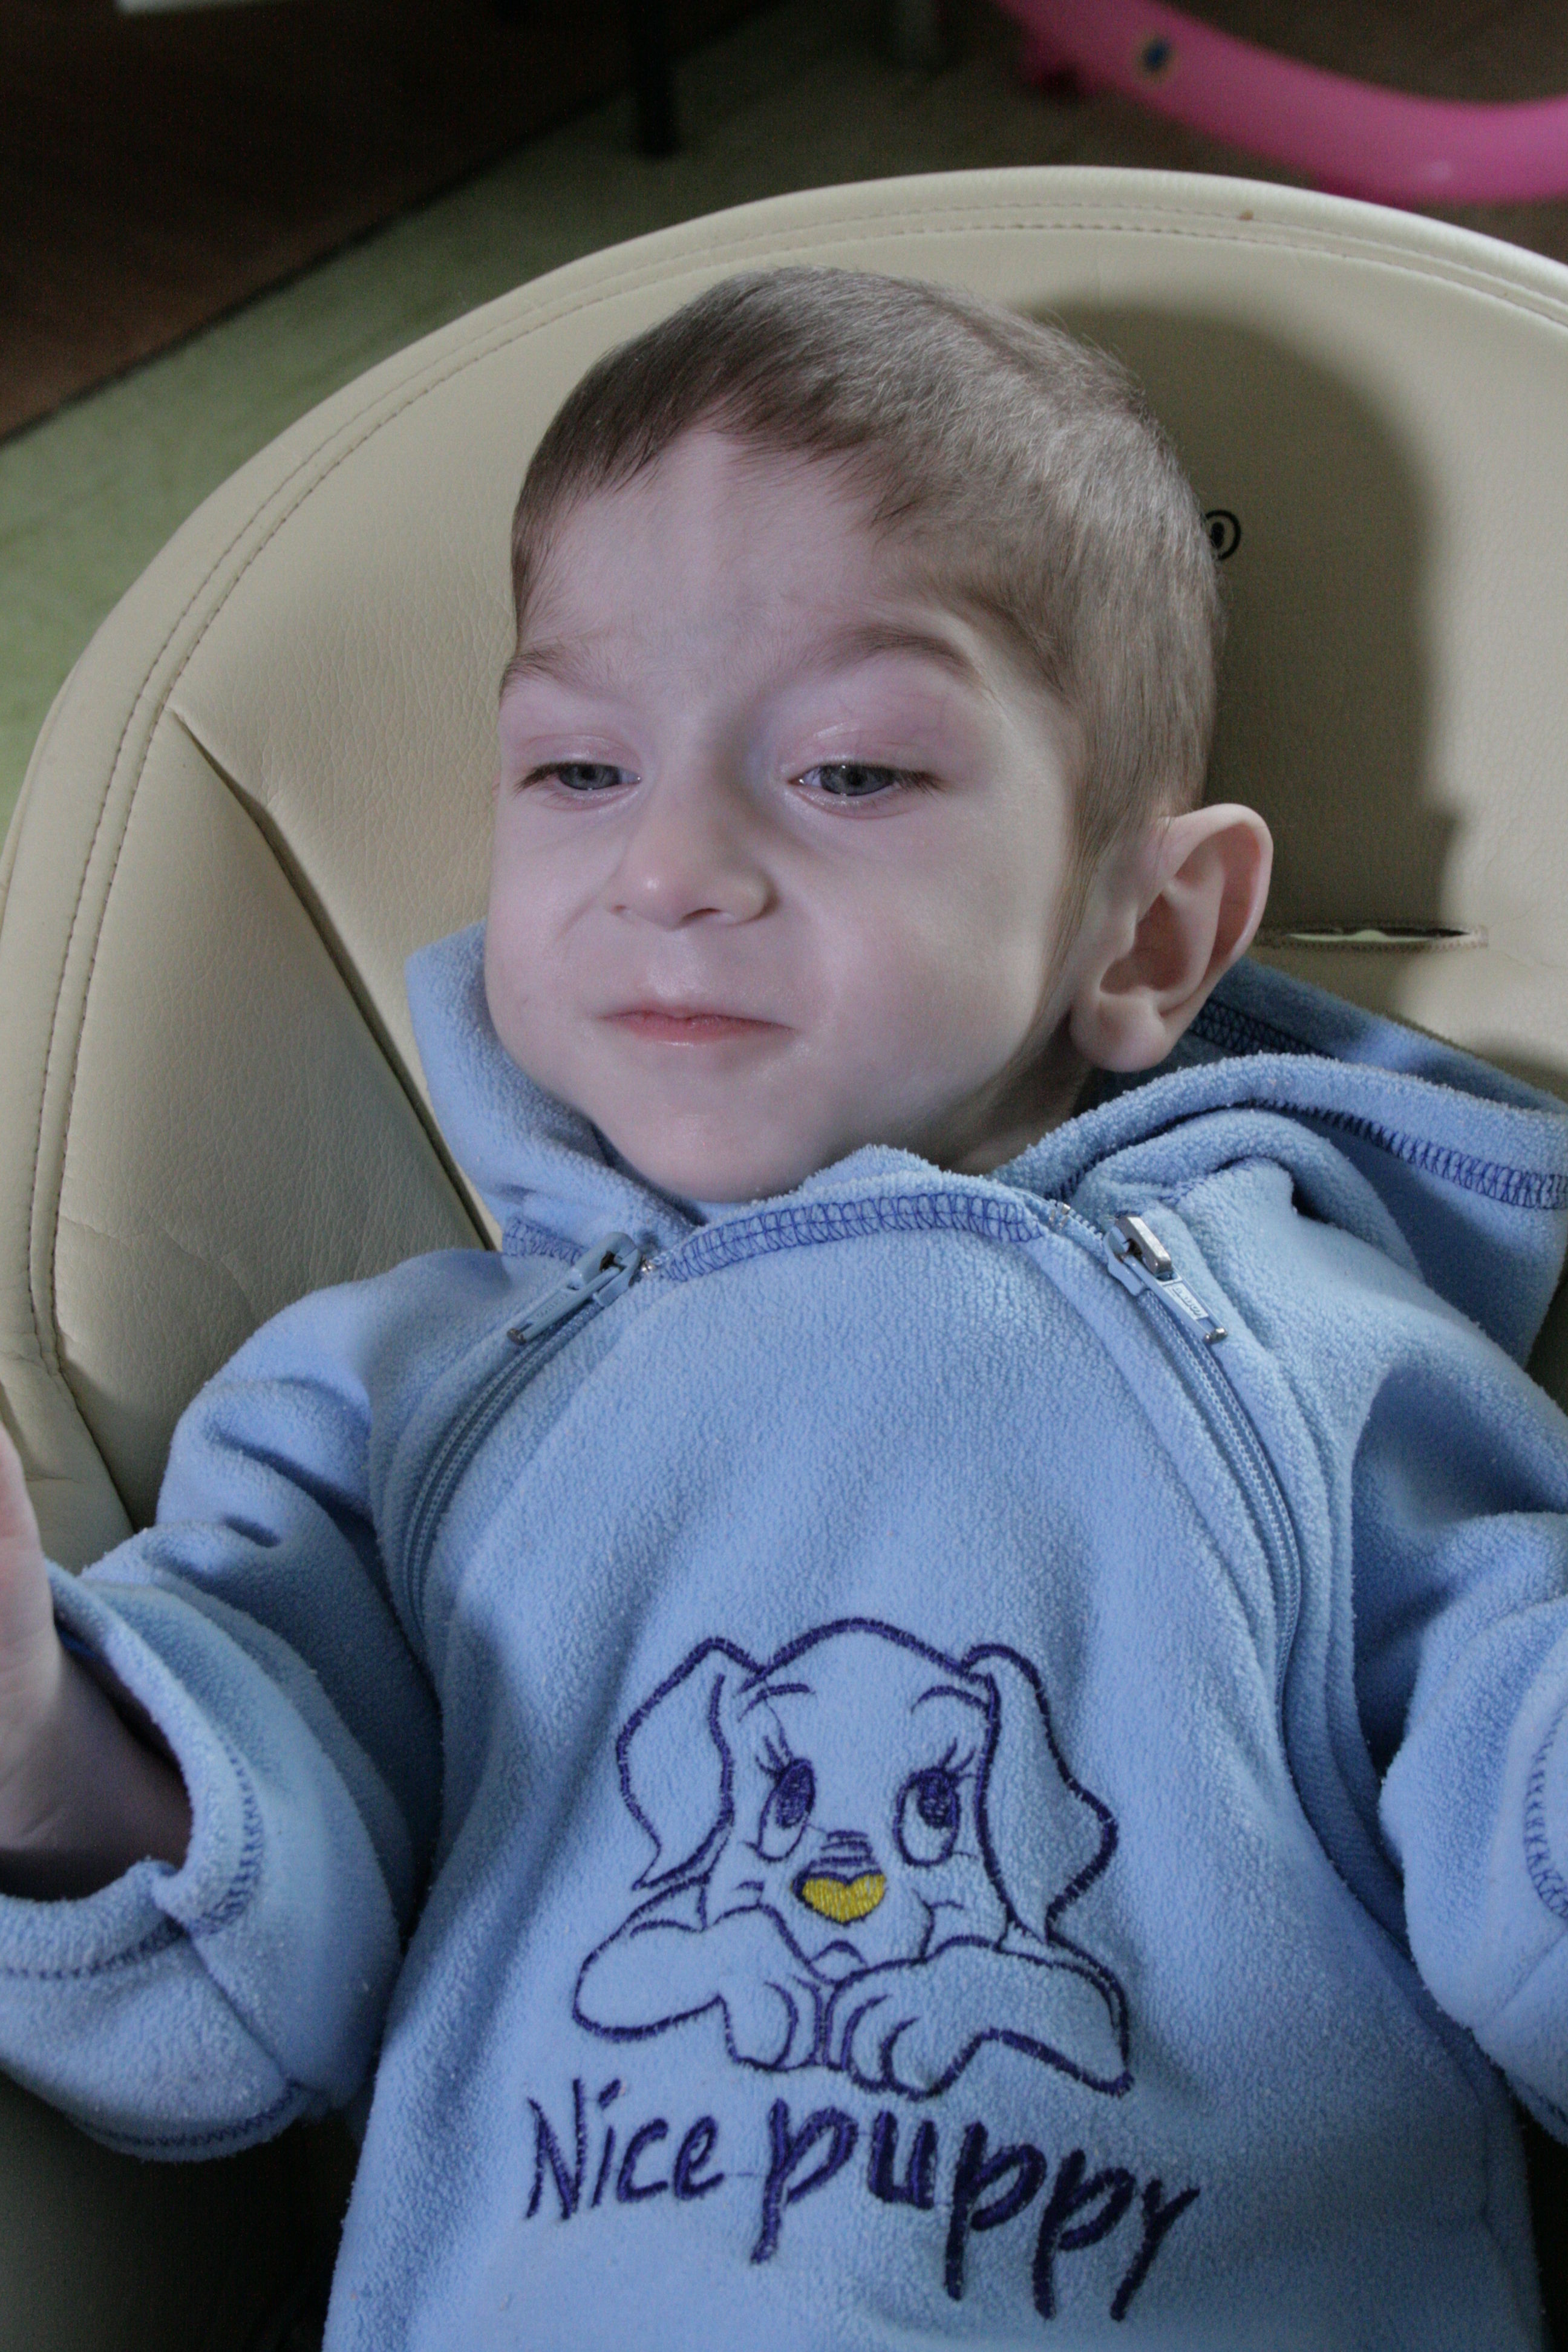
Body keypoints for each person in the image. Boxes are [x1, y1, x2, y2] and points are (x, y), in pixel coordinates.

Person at [0, 267, 1566, 2351]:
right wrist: (41, 1751)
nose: (671, 865)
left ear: (1148, 926)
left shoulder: (1307, 1361)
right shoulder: (393, 1401)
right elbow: (225, 2001)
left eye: (848, 770)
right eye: (578, 769)